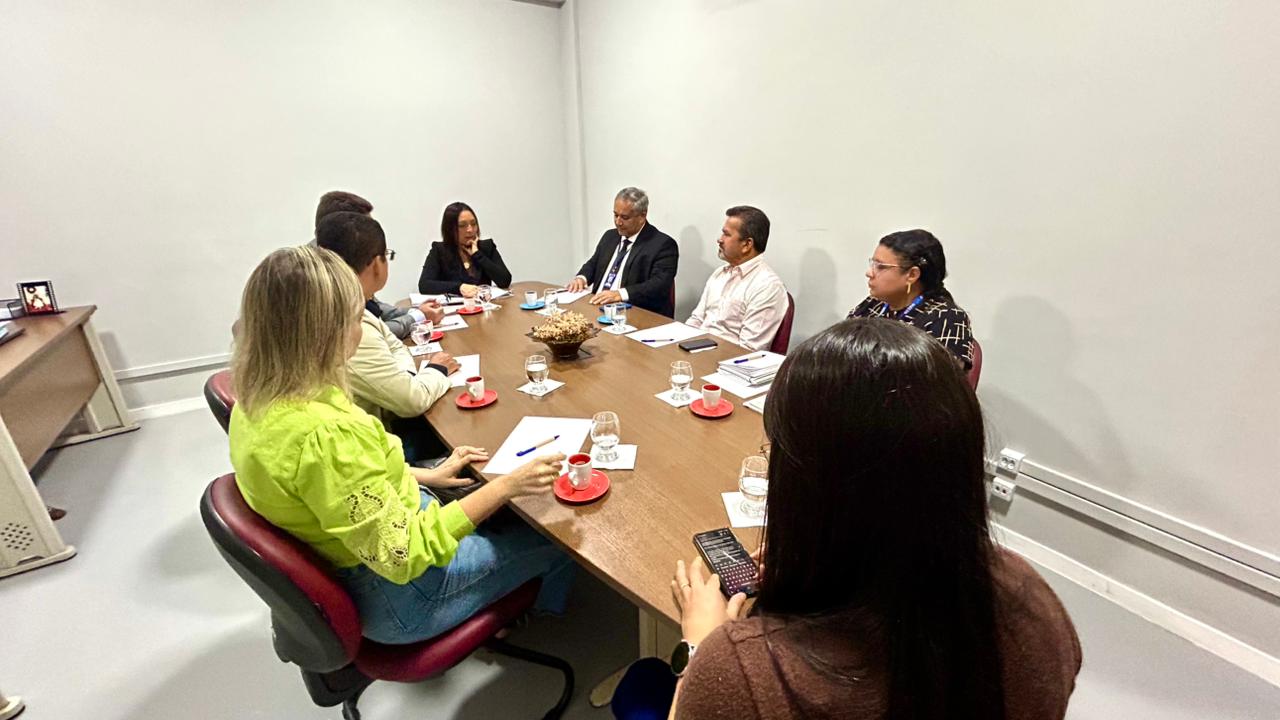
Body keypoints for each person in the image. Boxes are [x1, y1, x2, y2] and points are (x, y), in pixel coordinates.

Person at [612, 318, 1081, 719]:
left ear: (809, 487)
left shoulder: (741, 670)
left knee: (642, 683)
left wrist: (699, 647)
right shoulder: (1035, 599)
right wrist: (819, 562)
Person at [228, 245, 573, 644]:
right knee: (554, 537)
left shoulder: (258, 401)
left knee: (492, 500)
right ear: (325, 332)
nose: (362, 327)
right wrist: (506, 485)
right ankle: (536, 620)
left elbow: (334, 489)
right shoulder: (325, 436)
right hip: (405, 596)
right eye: (356, 317)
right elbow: (405, 555)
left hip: (377, 545)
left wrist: (429, 474)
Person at [316, 211, 459, 462]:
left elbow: (395, 347)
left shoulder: (354, 303)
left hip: (373, 427)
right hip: (376, 448)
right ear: (376, 264)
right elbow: (412, 400)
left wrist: (404, 376)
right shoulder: (347, 321)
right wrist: (436, 370)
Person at [314, 190, 444, 340]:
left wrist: (415, 312)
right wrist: (418, 316)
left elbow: (376, 308)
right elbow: (374, 335)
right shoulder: (318, 278)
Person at [847, 229, 975, 369]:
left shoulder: (947, 319)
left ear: (912, 275)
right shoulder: (872, 306)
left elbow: (941, 383)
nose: (869, 273)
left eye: (881, 267)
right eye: (872, 264)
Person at [686, 206, 789, 351]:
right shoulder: (719, 273)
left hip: (729, 364)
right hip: (697, 351)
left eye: (726, 235)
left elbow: (748, 349)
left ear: (747, 244)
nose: (719, 240)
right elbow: (696, 320)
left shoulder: (767, 286)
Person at [566, 187, 679, 317]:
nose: (618, 222)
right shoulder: (610, 236)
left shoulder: (662, 245)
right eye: (615, 215)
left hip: (633, 315)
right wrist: (581, 278)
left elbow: (659, 285)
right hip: (597, 308)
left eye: (625, 217)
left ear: (642, 215)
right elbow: (594, 263)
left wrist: (620, 294)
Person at [417, 202, 513, 296]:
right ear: (449, 229)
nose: (470, 230)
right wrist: (459, 287)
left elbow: (505, 281)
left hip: (486, 307)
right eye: (462, 226)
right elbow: (424, 285)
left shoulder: (486, 247)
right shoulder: (439, 250)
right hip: (455, 309)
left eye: (473, 224)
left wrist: (478, 255)